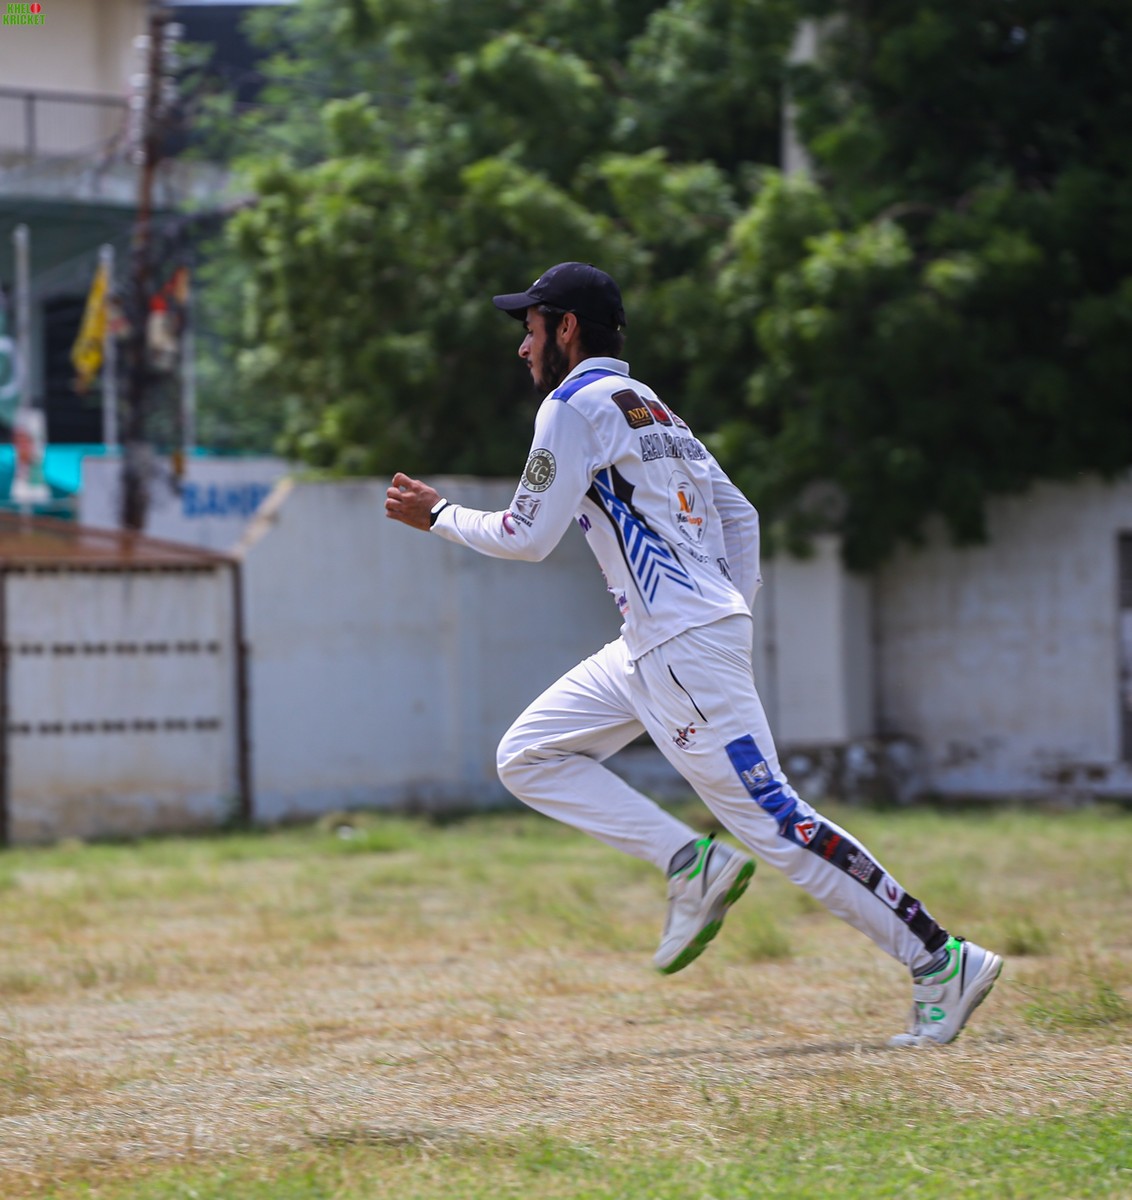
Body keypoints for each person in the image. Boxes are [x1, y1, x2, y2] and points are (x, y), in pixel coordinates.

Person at [384, 261, 1002, 1046]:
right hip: (662, 643)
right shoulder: (651, 407)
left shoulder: (569, 407)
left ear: (565, 328)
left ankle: (941, 958)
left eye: (530, 328)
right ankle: (690, 863)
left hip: (679, 646)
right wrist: (724, 610)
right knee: (529, 755)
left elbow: (526, 535)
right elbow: (740, 516)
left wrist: (439, 514)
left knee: (776, 821)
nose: (523, 347)